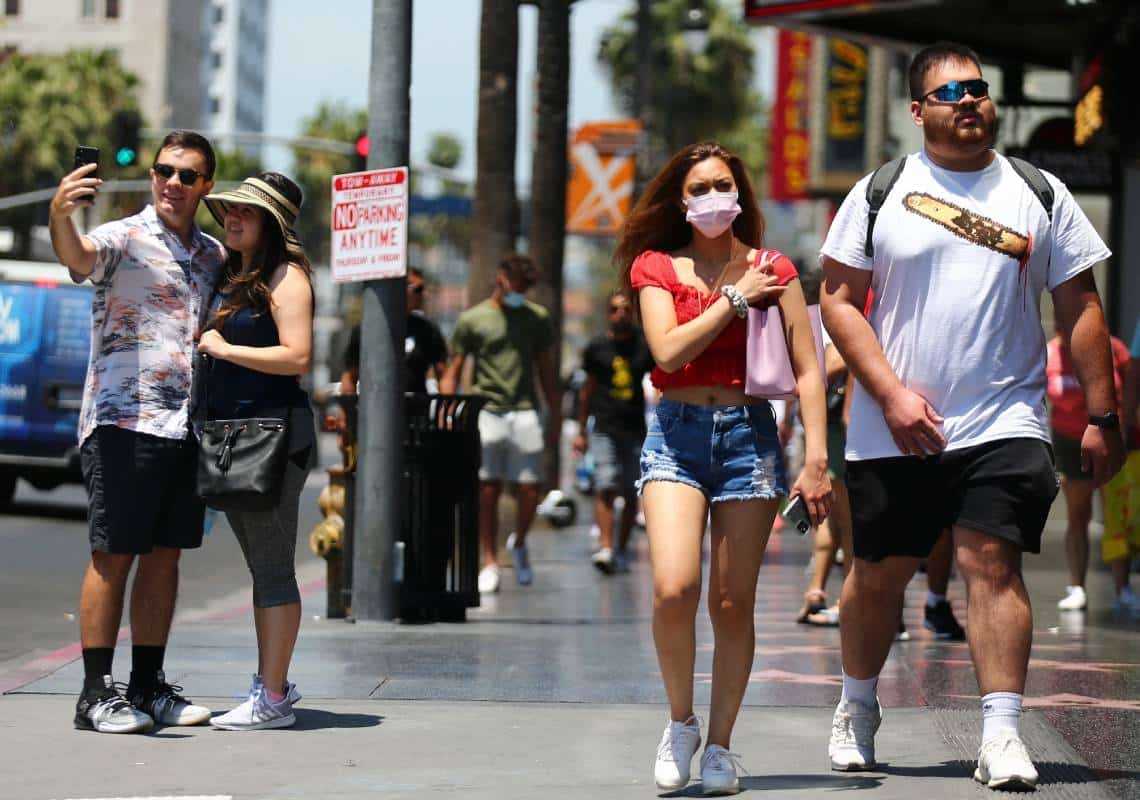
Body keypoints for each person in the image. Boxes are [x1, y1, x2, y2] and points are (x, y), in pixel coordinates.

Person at [819, 41, 1121, 791]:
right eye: (948, 92)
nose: (968, 101)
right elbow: (836, 301)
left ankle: (1002, 733)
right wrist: (890, 394)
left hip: (1004, 417)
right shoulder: (877, 192)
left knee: (993, 564)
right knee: (879, 574)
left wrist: (1103, 415)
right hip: (889, 427)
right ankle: (857, 708)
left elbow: (1080, 304)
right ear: (918, 110)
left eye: (977, 89)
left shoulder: (1040, 191)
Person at [617, 141, 832, 794]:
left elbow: (807, 368)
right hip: (677, 436)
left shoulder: (776, 268)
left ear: (740, 194)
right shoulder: (656, 266)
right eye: (700, 188)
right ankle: (680, 722)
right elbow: (668, 350)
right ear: (681, 203)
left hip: (749, 439)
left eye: (722, 185)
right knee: (674, 588)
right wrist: (735, 300)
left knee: (733, 602)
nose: (713, 197)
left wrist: (817, 458)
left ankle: (720, 746)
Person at [49, 131, 224, 733]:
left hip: (184, 428)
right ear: (153, 177)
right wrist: (60, 214)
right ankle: (96, 694)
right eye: (164, 171)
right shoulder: (123, 236)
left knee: (165, 557)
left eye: (188, 175)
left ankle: (148, 686)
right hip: (123, 421)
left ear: (206, 187)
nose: (173, 182)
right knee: (113, 555)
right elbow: (76, 258)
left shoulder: (211, 255)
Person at [195, 173, 317, 730]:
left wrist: (225, 348)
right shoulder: (233, 275)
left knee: (272, 570)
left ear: (272, 221)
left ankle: (272, 697)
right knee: (260, 569)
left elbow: (297, 357)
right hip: (233, 437)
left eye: (246, 211)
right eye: (230, 210)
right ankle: (269, 688)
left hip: (272, 439)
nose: (232, 218)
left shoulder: (286, 277)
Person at [439, 254, 560, 593]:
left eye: (525, 288)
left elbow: (546, 371)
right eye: (516, 286)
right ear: (501, 279)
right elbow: (454, 369)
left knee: (530, 487)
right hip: (486, 409)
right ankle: (489, 560)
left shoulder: (537, 318)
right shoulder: (473, 319)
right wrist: (450, 410)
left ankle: (519, 542)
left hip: (525, 410)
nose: (519, 293)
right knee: (488, 488)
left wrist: (555, 416)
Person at [1048, 321, 1140, 613]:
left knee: (1117, 514)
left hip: (1107, 440)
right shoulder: (1049, 354)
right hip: (1068, 442)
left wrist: (1124, 429)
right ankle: (1077, 587)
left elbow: (1130, 386)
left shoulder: (1111, 348)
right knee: (1078, 513)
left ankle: (1123, 588)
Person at [573, 290, 654, 575]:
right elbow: (587, 391)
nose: (621, 314)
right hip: (604, 426)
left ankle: (620, 549)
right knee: (605, 484)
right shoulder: (596, 348)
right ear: (607, 314)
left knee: (631, 491)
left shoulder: (644, 345)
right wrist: (581, 430)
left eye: (625, 309)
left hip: (635, 428)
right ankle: (606, 547)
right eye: (614, 309)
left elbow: (661, 380)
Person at [340, 267, 447, 395]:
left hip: (417, 410)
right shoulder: (366, 330)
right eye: (418, 289)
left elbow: (444, 375)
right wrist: (347, 411)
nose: (424, 294)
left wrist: (445, 411)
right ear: (400, 289)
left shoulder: (427, 329)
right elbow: (350, 377)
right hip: (376, 409)